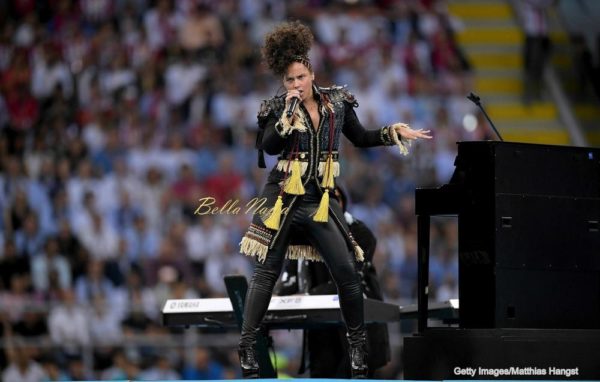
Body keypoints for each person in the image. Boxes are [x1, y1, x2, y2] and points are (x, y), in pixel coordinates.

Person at [237, 21, 431, 379]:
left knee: (346, 271)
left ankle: (358, 349)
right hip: (282, 197)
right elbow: (268, 147)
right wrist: (286, 119)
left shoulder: (337, 102)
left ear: (311, 72)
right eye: (289, 80)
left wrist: (393, 132)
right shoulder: (277, 107)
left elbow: (360, 137)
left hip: (319, 200)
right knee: (266, 273)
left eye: (300, 77)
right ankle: (248, 346)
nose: (295, 85)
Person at [276, 185, 391, 378]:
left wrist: (308, 296)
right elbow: (290, 278)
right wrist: (275, 295)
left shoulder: (360, 233)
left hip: (356, 326)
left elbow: (350, 279)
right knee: (322, 372)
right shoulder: (304, 236)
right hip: (321, 328)